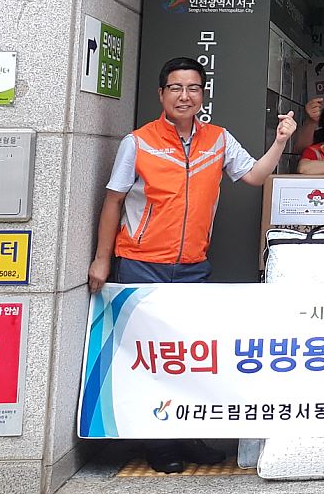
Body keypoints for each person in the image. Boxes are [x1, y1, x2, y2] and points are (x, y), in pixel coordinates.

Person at [86, 56, 297, 473]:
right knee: (149, 356)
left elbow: (254, 176)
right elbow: (113, 201)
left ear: (203, 94)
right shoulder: (138, 142)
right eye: (176, 88)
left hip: (192, 265)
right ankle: (159, 442)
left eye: (193, 88)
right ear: (161, 94)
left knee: (185, 354)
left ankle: (188, 435)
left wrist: (280, 142)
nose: (185, 96)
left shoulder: (217, 139)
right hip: (142, 263)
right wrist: (101, 258)